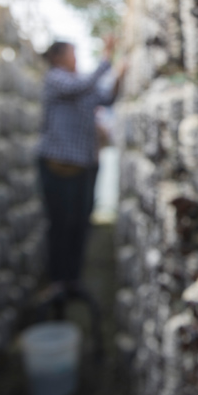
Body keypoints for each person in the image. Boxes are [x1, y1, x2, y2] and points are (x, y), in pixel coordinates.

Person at [37, 37, 127, 297]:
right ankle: (57, 280)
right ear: (57, 58)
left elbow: (105, 98)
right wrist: (106, 58)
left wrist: (119, 76)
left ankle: (73, 279)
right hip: (58, 168)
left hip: (82, 168)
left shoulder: (78, 86)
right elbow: (85, 85)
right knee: (59, 225)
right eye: (72, 54)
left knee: (79, 225)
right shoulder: (56, 79)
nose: (75, 59)